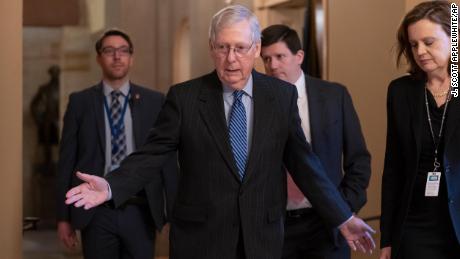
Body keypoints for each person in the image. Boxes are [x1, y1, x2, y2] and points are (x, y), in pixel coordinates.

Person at [64, 5, 375, 259]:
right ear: (211, 48)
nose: (231, 59)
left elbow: (304, 164)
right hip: (201, 240)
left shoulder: (280, 97)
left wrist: (343, 217)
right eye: (223, 47)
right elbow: (151, 154)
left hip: (261, 239)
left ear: (256, 49)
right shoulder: (184, 97)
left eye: (240, 48)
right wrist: (111, 186)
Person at [56, 29, 178, 259]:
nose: (117, 56)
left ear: (131, 58)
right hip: (95, 211)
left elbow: (167, 160)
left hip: (140, 207)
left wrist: (172, 214)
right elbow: (66, 161)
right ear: (98, 58)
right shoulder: (80, 102)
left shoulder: (154, 101)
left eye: (123, 51)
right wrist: (63, 218)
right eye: (109, 51)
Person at [260, 24, 371, 259]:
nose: (273, 66)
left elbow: (358, 158)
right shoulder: (257, 102)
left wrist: (343, 208)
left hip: (327, 224)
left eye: (280, 56)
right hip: (276, 226)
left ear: (299, 56)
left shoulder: (333, 95)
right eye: (266, 59)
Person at [380, 1, 460, 258]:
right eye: (414, 45)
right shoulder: (402, 91)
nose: (420, 51)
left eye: (429, 42)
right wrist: (387, 239)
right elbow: (393, 168)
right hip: (414, 226)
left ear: (453, 38)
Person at [30, 65, 60, 175]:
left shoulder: (63, 88)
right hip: (48, 121)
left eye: (57, 73)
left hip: (61, 121)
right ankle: (47, 164)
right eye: (53, 73)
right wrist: (38, 120)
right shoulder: (44, 89)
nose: (55, 75)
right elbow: (33, 105)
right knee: (47, 145)